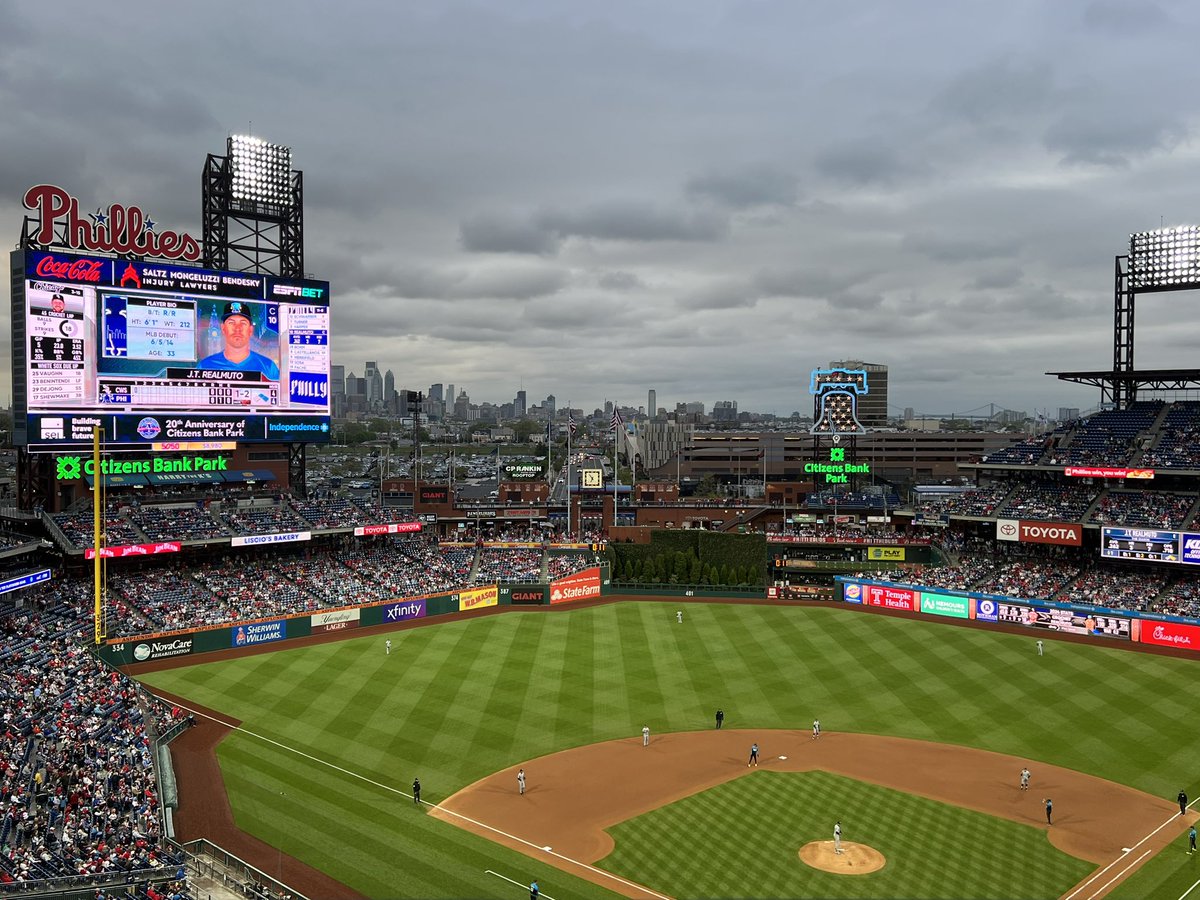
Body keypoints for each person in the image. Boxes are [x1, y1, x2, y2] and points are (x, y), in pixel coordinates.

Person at [197, 301, 280, 379]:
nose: (237, 328)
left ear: (250, 330)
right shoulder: (204, 366)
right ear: (223, 328)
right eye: (231, 323)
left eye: (243, 323)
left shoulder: (268, 367)